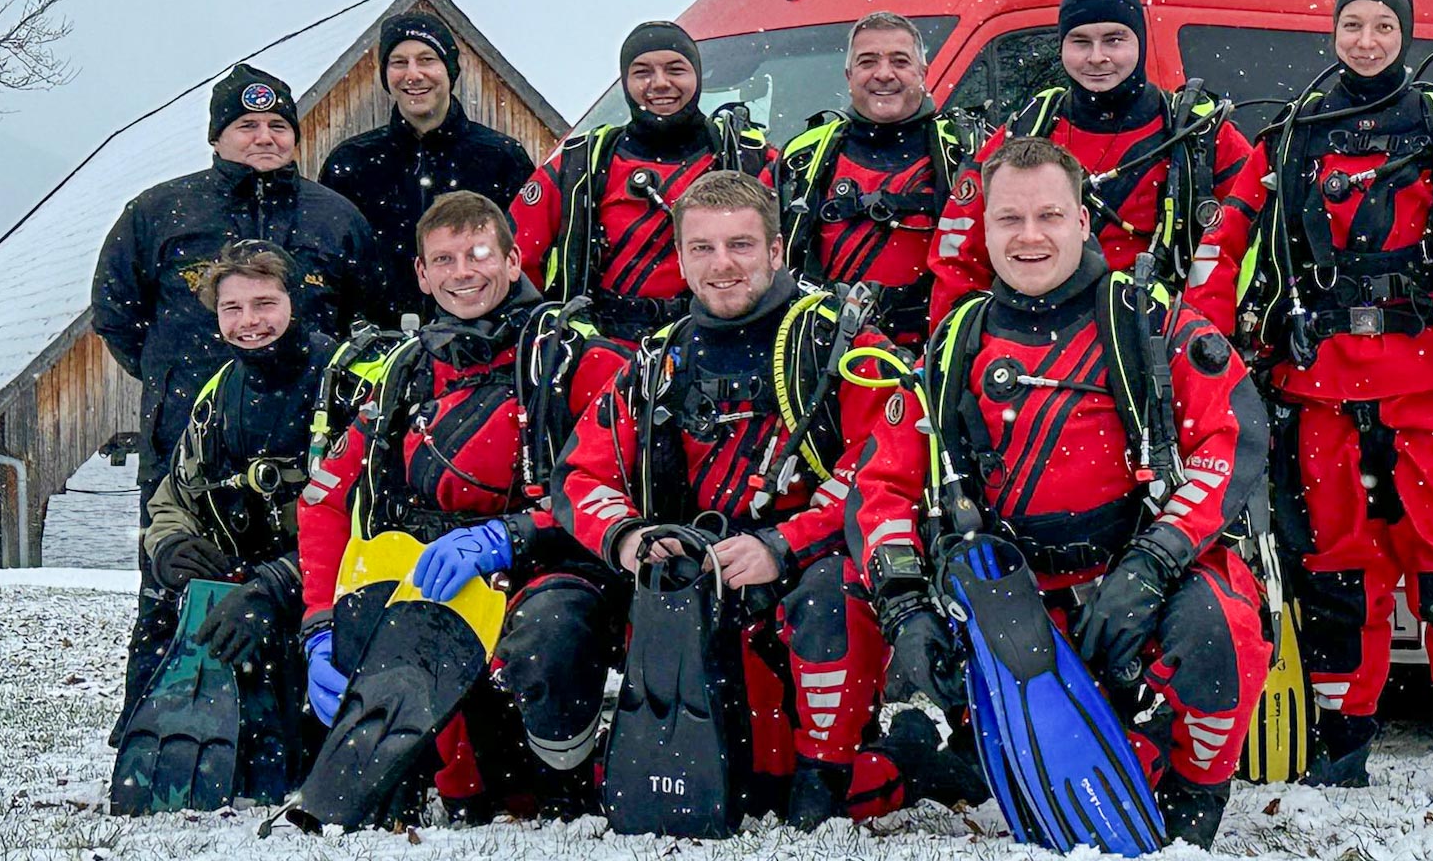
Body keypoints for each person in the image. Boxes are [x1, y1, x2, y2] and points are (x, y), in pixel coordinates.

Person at [1197, 0, 1433, 794]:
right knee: (1334, 574)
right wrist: (1206, 356)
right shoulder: (1291, 137)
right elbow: (1225, 246)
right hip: (1318, 390)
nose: (1366, 41)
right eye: (1353, 25)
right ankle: (1343, 747)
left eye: (1383, 27)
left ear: (1407, 34)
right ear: (1333, 33)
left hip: (1432, 388)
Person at [879, 137, 1272, 847]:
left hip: (1138, 572)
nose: (1030, 237)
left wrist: (1155, 561)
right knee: (915, 702)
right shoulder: (953, 345)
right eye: (1009, 220)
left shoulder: (1147, 325)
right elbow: (886, 483)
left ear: (1084, 223)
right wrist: (906, 607)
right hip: (1015, 594)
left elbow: (1233, 437)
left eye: (1050, 217)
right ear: (984, 228)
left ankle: (1193, 798)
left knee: (1219, 628)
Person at [549, 171, 968, 829]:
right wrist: (629, 538)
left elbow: (886, 467)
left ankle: (841, 772)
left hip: (805, 586)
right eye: (703, 249)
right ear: (680, 258)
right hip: (703, 597)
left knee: (832, 597)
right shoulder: (656, 362)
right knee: (734, 788)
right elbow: (579, 476)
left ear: (778, 252)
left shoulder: (838, 344)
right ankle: (888, 758)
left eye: (741, 246)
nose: (722, 266)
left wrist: (783, 545)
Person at [294, 191, 625, 824]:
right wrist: (319, 626)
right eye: (443, 259)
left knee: (550, 632)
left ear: (513, 259)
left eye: (478, 254)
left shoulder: (575, 361)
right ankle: (446, 785)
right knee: (373, 626)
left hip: (551, 561)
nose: (462, 272)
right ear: (421, 274)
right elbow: (325, 500)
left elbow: (619, 485)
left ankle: (567, 785)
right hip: (430, 572)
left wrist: (514, 534)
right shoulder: (402, 375)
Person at [92, 63, 377, 741]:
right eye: (246, 125)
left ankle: (298, 726)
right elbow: (115, 315)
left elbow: (372, 318)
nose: (264, 137)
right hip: (190, 440)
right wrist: (179, 380)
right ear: (218, 137)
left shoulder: (334, 217)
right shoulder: (159, 213)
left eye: (278, 125)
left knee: (298, 580)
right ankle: (157, 721)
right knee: (177, 577)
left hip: (306, 440)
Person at [927, 0, 1263, 326]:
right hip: (1039, 343)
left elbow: (1243, 244)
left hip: (1157, 344)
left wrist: (1198, 342)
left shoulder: (1199, 135)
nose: (1097, 57)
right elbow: (958, 249)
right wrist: (958, 342)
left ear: (1141, 43)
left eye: (1114, 40)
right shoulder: (1029, 129)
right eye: (1081, 42)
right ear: (1062, 47)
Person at [138, 239, 333, 790]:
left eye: (265, 303)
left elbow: (377, 518)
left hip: (331, 590)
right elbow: (172, 500)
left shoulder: (348, 381)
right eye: (232, 308)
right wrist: (171, 548)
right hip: (246, 592)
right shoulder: (216, 397)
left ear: (295, 301)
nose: (250, 322)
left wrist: (279, 585)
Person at [512, 20, 777, 343]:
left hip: (722, 343)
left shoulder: (750, 161)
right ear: (625, 82)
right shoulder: (579, 167)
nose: (660, 83)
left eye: (675, 69)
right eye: (642, 72)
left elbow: (789, 256)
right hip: (600, 349)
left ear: (697, 76)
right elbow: (514, 264)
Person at [322, 11, 536, 327]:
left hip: (484, 340)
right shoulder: (351, 163)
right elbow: (332, 263)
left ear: (449, 70)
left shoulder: (500, 157)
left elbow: (530, 251)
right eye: (399, 62)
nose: (413, 74)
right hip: (381, 344)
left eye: (426, 60)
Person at [777, 11, 978, 346]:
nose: (884, 74)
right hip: (823, 351)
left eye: (900, 61)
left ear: (922, 72)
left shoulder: (965, 152)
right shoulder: (804, 157)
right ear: (849, 75)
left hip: (934, 354)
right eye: (868, 62)